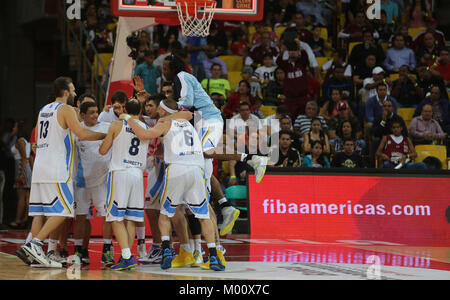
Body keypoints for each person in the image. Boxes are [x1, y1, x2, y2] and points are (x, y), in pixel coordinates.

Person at [163, 55, 268, 237]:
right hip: (202, 123)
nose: (163, 70)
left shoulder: (181, 76)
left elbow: (186, 104)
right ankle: (225, 206)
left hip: (208, 119)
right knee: (201, 164)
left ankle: (253, 159)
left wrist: (166, 113)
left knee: (205, 153)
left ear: (173, 67)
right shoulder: (181, 79)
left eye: (165, 67)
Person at [120, 98, 226, 271]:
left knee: (165, 213)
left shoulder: (165, 122)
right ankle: (213, 255)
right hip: (196, 170)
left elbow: (144, 135)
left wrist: (128, 118)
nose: (159, 113)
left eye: (160, 110)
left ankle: (167, 249)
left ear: (163, 111)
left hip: (177, 169)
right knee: (203, 215)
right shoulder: (187, 122)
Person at [16, 77, 107, 268]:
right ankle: (34, 244)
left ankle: (45, 252)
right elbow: (82, 133)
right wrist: (106, 135)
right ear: (66, 92)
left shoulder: (43, 110)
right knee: (64, 211)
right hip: (57, 168)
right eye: (73, 90)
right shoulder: (65, 109)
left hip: (40, 167)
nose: (74, 93)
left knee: (40, 213)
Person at [98, 99, 150, 271]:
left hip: (120, 172)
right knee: (131, 219)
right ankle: (127, 255)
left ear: (125, 110)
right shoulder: (145, 128)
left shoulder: (115, 125)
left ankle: (127, 256)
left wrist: (105, 140)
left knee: (115, 217)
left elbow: (103, 150)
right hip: (137, 175)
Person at [72, 101, 114, 266]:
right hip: (81, 181)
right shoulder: (76, 130)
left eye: (96, 111)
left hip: (102, 181)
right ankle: (79, 251)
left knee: (105, 216)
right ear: (82, 115)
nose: (95, 115)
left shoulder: (107, 127)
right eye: (91, 112)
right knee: (80, 217)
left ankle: (107, 250)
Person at [276, 39, 311, 120]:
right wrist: (282, 51)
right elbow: (278, 62)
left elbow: (305, 56)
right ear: (288, 53)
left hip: (303, 97)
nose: (292, 52)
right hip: (290, 99)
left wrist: (300, 47)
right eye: (290, 50)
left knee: (304, 118)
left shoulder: (302, 62)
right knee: (291, 119)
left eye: (295, 51)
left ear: (298, 52)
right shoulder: (285, 65)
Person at [9, 121, 33, 229]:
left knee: (21, 197)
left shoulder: (20, 141)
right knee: (27, 196)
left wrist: (21, 174)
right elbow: (28, 157)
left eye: (15, 127)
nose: (13, 129)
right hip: (26, 168)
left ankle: (18, 219)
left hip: (21, 167)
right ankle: (25, 219)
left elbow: (24, 158)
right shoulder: (27, 141)